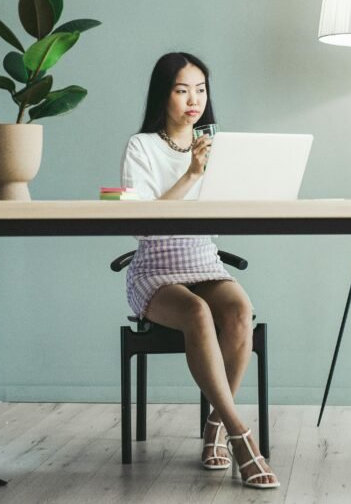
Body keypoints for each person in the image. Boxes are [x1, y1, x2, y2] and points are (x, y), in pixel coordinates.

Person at [120, 52, 279, 489]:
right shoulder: (142, 147)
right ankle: (239, 434)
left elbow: (228, 207)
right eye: (182, 89)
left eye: (201, 89)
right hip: (155, 267)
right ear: (163, 94)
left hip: (202, 259)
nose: (194, 99)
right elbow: (140, 225)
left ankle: (213, 425)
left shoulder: (218, 146)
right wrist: (193, 173)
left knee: (239, 310)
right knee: (196, 313)